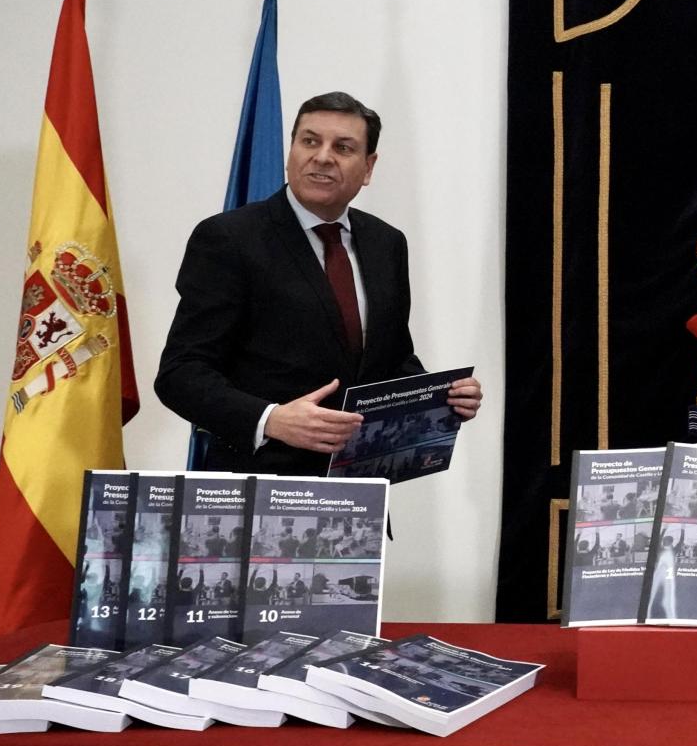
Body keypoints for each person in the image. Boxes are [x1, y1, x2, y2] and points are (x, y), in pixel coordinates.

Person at [155, 91, 483, 475]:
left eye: (343, 147)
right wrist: (270, 419)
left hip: (359, 492)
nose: (323, 156)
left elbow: (390, 360)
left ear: (368, 167)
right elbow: (180, 373)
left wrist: (440, 396)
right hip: (255, 489)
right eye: (310, 141)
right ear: (291, 150)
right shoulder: (230, 238)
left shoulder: (386, 243)